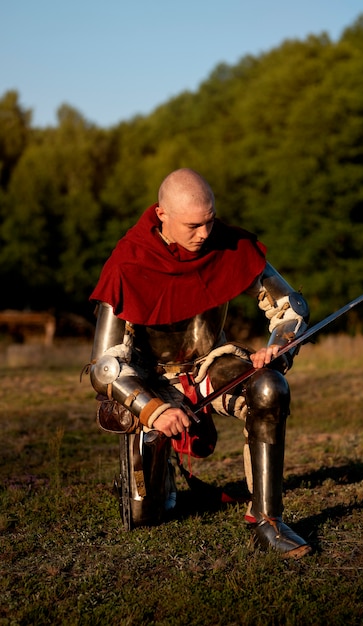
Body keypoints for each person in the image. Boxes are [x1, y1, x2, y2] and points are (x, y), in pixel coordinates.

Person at [88, 168, 311, 559]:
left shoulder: (227, 244)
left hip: (210, 366)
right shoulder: (128, 262)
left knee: (269, 387)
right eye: (192, 226)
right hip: (151, 380)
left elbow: (291, 307)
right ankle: (161, 468)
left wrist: (277, 347)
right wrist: (153, 410)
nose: (204, 234)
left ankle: (267, 520)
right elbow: (105, 367)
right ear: (162, 215)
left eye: (209, 221)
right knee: (146, 517)